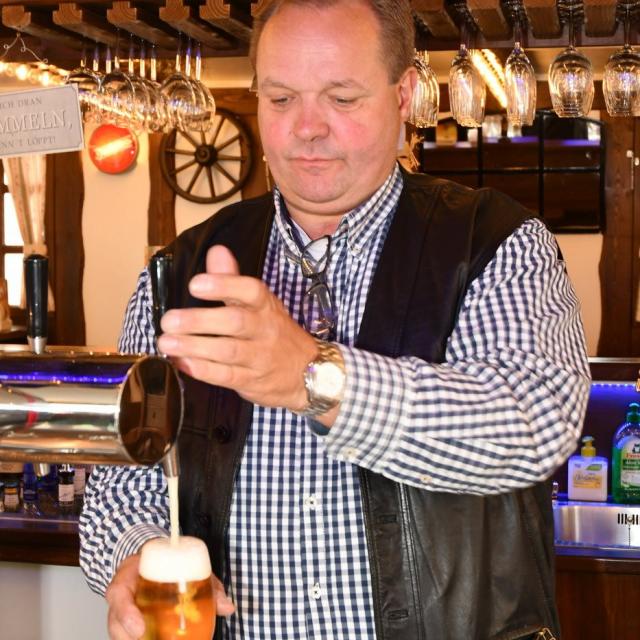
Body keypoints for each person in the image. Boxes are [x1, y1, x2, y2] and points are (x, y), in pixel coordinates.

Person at [79, 1, 591, 639]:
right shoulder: (178, 272)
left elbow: (533, 426)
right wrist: (132, 551)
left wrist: (315, 377)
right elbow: (121, 482)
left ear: (403, 93)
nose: (306, 128)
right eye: (281, 98)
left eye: (341, 98)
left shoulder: (495, 241)